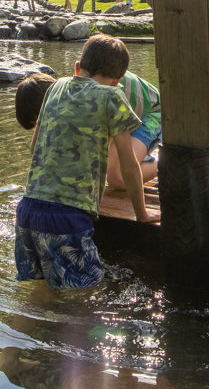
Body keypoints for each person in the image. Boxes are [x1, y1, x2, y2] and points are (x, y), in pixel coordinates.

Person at [11, 36, 156, 290]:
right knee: (89, 298)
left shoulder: (56, 87)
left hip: (27, 211)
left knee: (38, 296)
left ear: (78, 67)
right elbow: (130, 165)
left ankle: (14, 332)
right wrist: (142, 214)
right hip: (66, 218)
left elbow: (35, 147)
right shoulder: (112, 97)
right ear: (117, 81)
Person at [109, 69, 161, 188]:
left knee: (119, 178)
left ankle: (164, 163)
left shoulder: (114, 92)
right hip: (123, 115)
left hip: (151, 113)